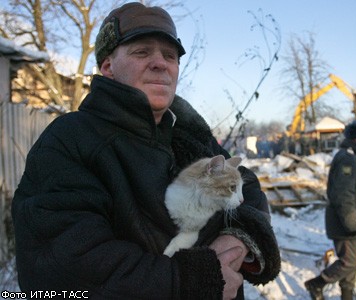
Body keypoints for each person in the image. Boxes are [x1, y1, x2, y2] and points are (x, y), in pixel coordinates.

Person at [12, 2, 281, 299]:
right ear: (107, 67)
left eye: (170, 55)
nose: (160, 63)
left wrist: (237, 238)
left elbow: (249, 188)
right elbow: (63, 268)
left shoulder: (192, 136)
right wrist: (189, 280)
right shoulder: (70, 139)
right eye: (142, 51)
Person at [304, 119, 356, 300]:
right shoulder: (347, 158)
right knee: (350, 262)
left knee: (351, 263)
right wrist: (351, 223)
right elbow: (342, 195)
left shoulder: (353, 156)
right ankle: (317, 283)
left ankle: (347, 296)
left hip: (351, 217)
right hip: (344, 219)